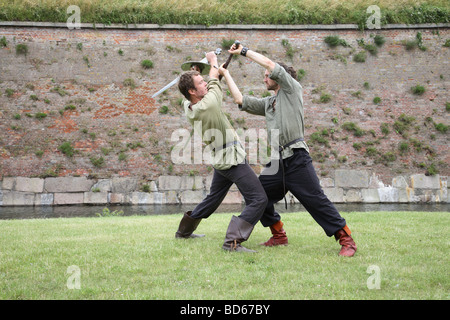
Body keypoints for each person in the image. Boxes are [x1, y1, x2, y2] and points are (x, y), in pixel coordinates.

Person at [219, 44, 357, 257]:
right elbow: (240, 100)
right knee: (257, 195)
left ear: (279, 77)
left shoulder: (292, 89)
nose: (264, 79)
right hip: (277, 162)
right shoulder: (269, 103)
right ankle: (278, 234)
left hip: (297, 158)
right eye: (264, 76)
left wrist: (244, 51)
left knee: (316, 201)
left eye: (267, 76)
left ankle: (346, 239)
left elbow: (269, 63)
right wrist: (226, 73)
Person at [174, 51, 268, 252]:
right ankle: (232, 243)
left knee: (212, 199)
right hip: (231, 159)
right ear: (192, 91)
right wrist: (213, 62)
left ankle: (183, 232)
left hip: (219, 158)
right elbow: (215, 81)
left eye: (202, 80)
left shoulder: (188, 105)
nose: (204, 84)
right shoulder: (208, 105)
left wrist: (196, 71)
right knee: (259, 199)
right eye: (200, 83)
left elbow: (201, 86)